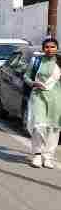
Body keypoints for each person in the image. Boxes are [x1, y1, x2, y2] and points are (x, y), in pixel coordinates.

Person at [24, 38, 61, 169]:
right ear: (43, 49)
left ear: (57, 48)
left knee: (53, 128)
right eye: (47, 47)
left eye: (52, 47)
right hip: (38, 96)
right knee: (38, 126)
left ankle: (48, 156)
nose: (50, 49)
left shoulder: (60, 61)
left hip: (56, 99)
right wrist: (33, 83)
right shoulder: (37, 61)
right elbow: (26, 76)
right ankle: (37, 154)